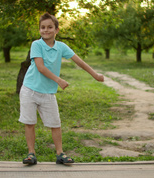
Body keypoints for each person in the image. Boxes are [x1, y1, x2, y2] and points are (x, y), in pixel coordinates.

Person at [19, 12, 104, 165]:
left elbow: (80, 62)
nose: (46, 30)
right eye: (43, 27)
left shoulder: (61, 47)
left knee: (55, 123)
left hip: (48, 94)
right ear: (39, 30)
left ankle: (60, 154)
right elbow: (40, 67)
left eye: (50, 27)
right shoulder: (36, 44)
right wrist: (58, 80)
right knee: (29, 122)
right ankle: (31, 154)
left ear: (56, 30)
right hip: (30, 90)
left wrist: (95, 75)